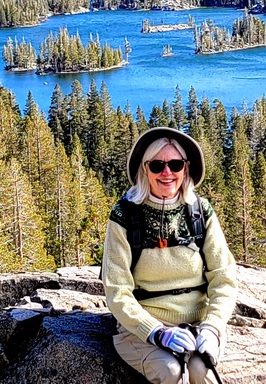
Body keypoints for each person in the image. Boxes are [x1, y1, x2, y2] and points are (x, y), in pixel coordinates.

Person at [102, 127, 238, 384]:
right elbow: (117, 291)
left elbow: (224, 278)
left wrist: (213, 327)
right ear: (144, 169)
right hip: (141, 328)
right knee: (170, 371)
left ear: (186, 169)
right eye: (157, 165)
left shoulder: (200, 212)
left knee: (202, 370)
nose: (167, 173)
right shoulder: (124, 216)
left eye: (175, 164)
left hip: (199, 323)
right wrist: (156, 332)